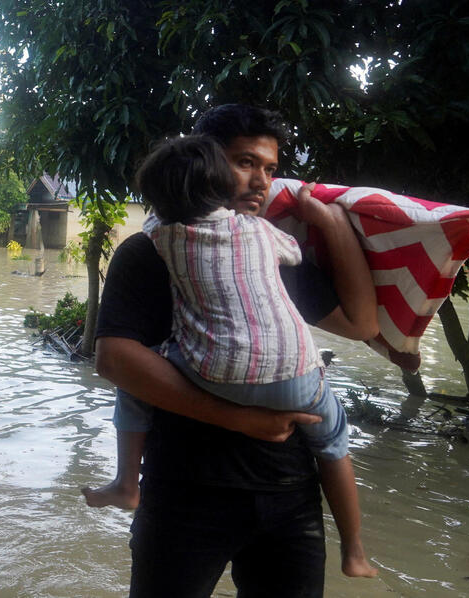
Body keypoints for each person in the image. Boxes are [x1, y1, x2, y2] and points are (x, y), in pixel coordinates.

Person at [91, 105, 379, 596]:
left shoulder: (262, 250)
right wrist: (238, 419)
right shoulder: (148, 252)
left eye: (269, 169)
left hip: (289, 495)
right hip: (185, 496)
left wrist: (328, 222)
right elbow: (114, 359)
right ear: (204, 161)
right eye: (245, 162)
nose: (261, 181)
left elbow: (362, 323)